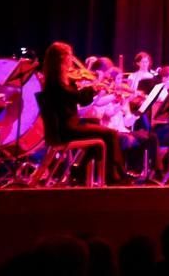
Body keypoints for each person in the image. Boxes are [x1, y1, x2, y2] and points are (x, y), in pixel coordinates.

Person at [36, 42, 128, 185]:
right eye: (69, 56)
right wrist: (94, 88)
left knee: (98, 136)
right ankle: (114, 176)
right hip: (65, 130)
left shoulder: (57, 81)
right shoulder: (57, 84)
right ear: (61, 59)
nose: (71, 60)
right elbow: (79, 98)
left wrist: (84, 86)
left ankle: (80, 172)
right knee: (110, 134)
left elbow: (77, 98)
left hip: (69, 126)